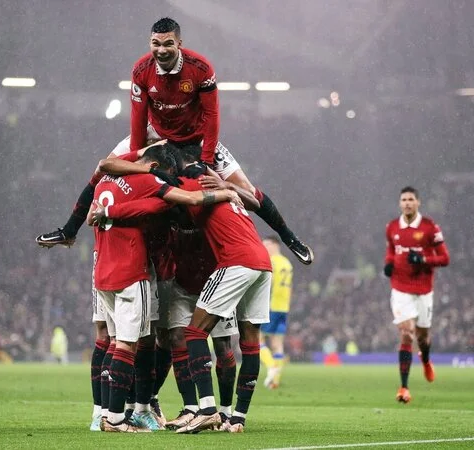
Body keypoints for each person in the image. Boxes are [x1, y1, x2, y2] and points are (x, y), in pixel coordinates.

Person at [36, 17, 313, 266]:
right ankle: (69, 231)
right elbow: (137, 118)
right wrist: (138, 159)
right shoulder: (141, 70)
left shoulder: (200, 68)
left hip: (196, 139)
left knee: (247, 191)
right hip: (155, 136)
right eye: (155, 44)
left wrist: (206, 160)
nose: (161, 50)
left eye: (168, 43)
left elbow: (212, 116)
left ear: (179, 43)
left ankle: (290, 239)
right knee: (103, 170)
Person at [92, 145, 270, 433]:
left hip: (224, 268)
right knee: (219, 339)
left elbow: (117, 175)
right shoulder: (188, 183)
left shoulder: (181, 183)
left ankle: (217, 412)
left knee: (205, 339)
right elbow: (254, 202)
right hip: (237, 267)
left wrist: (107, 211)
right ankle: (214, 413)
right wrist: (229, 188)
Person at [384, 187, 450, 403]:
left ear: (418, 202)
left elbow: (445, 258)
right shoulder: (392, 227)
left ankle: (426, 359)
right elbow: (391, 251)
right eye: (403, 199)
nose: (407, 203)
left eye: (411, 199)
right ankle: (404, 388)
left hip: (423, 290)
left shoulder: (430, 227)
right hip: (400, 288)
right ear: (399, 203)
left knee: (422, 338)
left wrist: (423, 260)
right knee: (406, 333)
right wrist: (388, 263)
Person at [259, 236, 293, 389]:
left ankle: (272, 366)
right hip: (283, 308)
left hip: (272, 306)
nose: (264, 247)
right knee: (277, 344)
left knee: (257, 339)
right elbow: (290, 287)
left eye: (266, 244)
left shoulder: (272, 261)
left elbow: (269, 283)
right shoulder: (287, 263)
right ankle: (275, 381)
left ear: (274, 245)